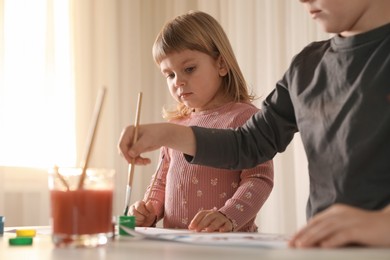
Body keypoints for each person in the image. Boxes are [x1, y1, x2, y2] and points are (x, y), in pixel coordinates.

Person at [118, 0, 390, 248]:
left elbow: (257, 177)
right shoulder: (307, 67)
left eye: (189, 68)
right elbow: (248, 143)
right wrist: (168, 133)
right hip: (324, 249)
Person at [126, 10, 274, 232]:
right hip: (176, 247)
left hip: (229, 246)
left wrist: (228, 215)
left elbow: (259, 178)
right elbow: (161, 181)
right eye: (170, 75)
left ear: (221, 64)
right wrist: (149, 210)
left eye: (189, 69)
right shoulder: (176, 127)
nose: (179, 82)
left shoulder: (245, 118)